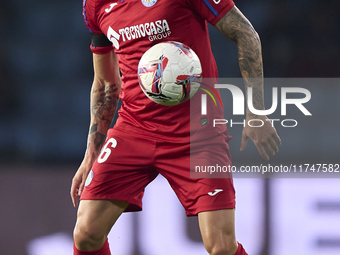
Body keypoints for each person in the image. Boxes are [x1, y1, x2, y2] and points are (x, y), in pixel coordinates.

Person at [71, 0, 281, 254]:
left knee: (221, 247)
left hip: (197, 134)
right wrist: (91, 153)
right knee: (85, 234)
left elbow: (246, 34)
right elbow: (105, 83)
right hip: (134, 129)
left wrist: (256, 110)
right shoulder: (95, 5)